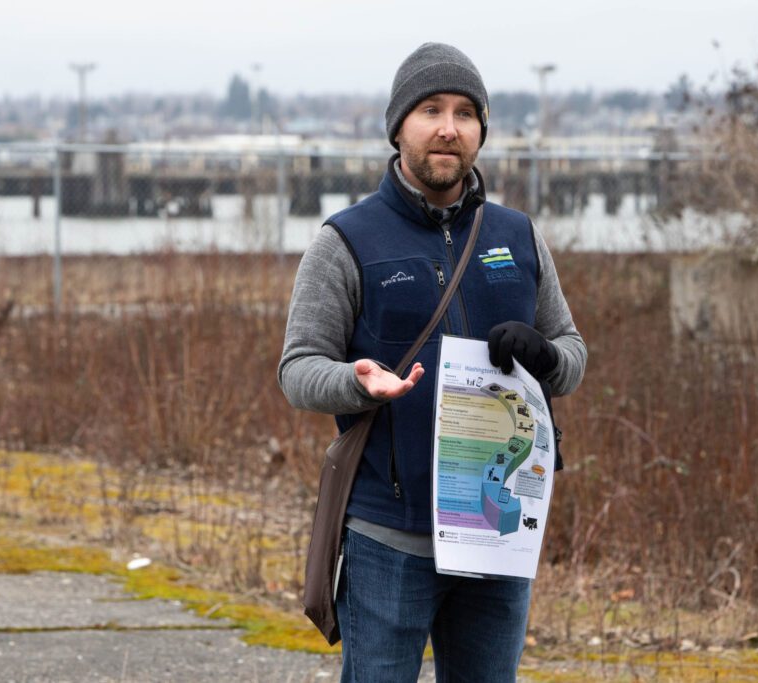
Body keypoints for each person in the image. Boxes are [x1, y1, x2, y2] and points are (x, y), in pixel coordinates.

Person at [278, 42, 587, 682]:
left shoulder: (518, 236)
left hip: (498, 533)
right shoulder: (346, 240)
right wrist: (355, 381)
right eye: (430, 109)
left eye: (466, 113)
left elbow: (572, 354)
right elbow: (298, 369)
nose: (449, 127)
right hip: (390, 536)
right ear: (399, 128)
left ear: (480, 131)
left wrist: (545, 356)